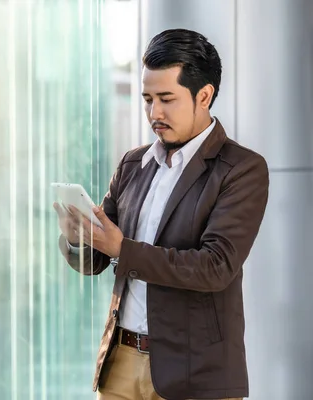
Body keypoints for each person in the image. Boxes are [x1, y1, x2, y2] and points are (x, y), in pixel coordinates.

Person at [54, 29, 269, 400]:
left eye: (167, 99)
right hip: (119, 363)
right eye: (148, 99)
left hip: (196, 374)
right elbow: (99, 259)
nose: (155, 113)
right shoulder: (133, 164)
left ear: (204, 96)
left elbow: (215, 267)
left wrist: (123, 248)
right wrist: (79, 240)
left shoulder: (241, 169)